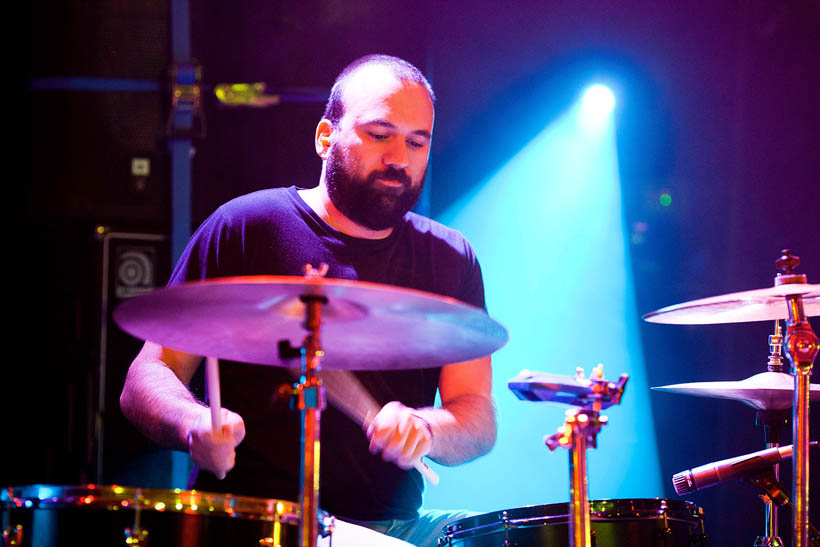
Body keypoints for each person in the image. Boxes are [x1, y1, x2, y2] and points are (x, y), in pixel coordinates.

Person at [120, 54, 496, 547]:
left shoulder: (450, 257)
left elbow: (477, 415)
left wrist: (427, 427)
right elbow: (148, 375)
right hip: (257, 521)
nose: (399, 158)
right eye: (380, 135)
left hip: (397, 526)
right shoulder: (246, 226)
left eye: (416, 141)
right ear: (325, 137)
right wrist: (193, 423)